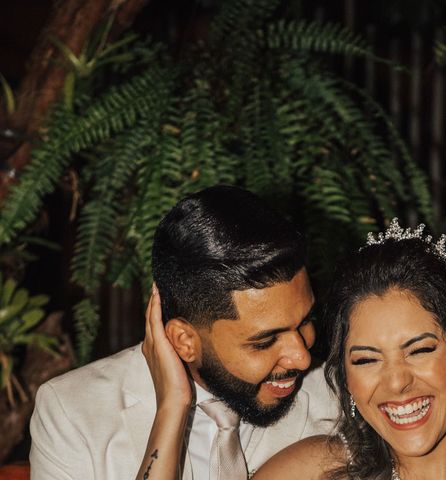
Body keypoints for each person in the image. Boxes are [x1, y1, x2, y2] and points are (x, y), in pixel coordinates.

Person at [135, 218, 446, 479]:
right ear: (343, 375)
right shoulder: (310, 474)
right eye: (366, 359)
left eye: (419, 350)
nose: (396, 382)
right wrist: (174, 407)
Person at [29, 185, 339, 480]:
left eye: (304, 321)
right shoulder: (71, 412)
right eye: (265, 341)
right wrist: (172, 407)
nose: (301, 357)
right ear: (184, 340)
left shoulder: (341, 392)